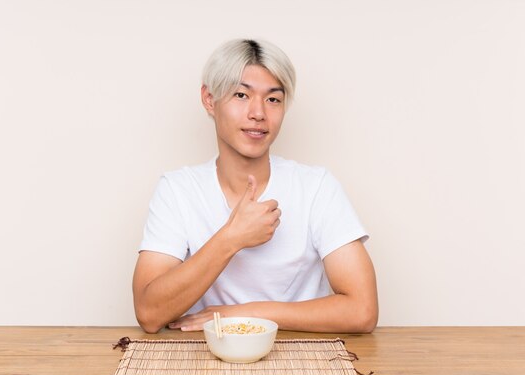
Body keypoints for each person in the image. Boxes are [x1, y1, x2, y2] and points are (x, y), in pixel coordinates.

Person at [133, 39, 378, 334]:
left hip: (304, 362)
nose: (258, 113)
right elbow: (148, 313)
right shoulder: (177, 190)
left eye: (273, 99)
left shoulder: (316, 188)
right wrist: (231, 238)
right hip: (206, 362)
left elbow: (362, 311)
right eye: (241, 95)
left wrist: (243, 315)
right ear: (209, 99)